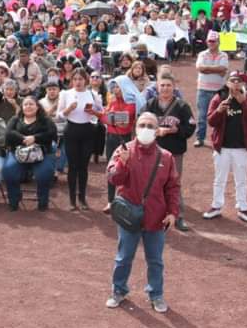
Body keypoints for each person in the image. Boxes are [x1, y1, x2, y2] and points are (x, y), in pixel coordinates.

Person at [105, 112, 180, 313]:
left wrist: (172, 212)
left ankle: (156, 294)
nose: (146, 129)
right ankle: (118, 290)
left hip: (156, 217)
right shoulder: (123, 150)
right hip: (129, 216)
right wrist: (122, 163)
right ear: (136, 128)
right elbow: (113, 179)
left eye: (150, 126)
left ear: (157, 130)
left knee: (155, 260)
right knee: (123, 257)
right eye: (142, 125)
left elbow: (172, 187)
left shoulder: (166, 157)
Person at [203, 72, 247, 223]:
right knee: (219, 179)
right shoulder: (219, 97)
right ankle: (216, 206)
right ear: (227, 83)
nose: (235, 83)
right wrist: (219, 111)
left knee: (241, 180)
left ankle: (243, 208)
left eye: (238, 81)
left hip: (241, 147)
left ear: (242, 84)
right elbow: (210, 121)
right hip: (222, 147)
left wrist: (244, 103)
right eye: (232, 80)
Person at [57, 68, 103, 210]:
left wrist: (93, 112)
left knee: (83, 166)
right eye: (75, 79)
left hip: (87, 131)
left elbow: (101, 113)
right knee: (72, 166)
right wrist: (68, 110)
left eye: (80, 79)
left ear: (86, 80)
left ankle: (82, 198)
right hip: (71, 130)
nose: (78, 82)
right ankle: (72, 200)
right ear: (72, 80)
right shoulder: (65, 94)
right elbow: (59, 116)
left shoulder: (93, 94)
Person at [2, 96, 57, 211]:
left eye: (31, 104)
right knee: (9, 171)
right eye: (25, 104)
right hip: (18, 153)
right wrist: (24, 138)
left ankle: (43, 201)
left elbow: (52, 134)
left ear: (37, 107)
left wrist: (35, 138)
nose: (28, 106)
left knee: (44, 175)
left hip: (41, 154)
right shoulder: (15, 119)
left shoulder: (46, 120)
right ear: (22, 107)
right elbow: (8, 133)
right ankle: (14, 199)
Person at [101, 81, 136, 213]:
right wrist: (113, 118)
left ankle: (124, 200)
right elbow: (104, 118)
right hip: (111, 137)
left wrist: (112, 118)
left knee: (127, 169)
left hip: (125, 139)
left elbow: (125, 120)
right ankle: (110, 201)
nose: (116, 90)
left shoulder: (131, 103)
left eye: (119, 87)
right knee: (112, 168)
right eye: (114, 87)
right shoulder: (112, 102)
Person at [193, 31, 229, 147]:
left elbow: (223, 68)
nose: (211, 43)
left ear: (218, 42)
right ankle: (200, 138)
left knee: (219, 115)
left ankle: (217, 138)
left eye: (213, 41)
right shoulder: (202, 54)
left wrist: (207, 69)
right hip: (203, 89)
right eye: (209, 41)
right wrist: (216, 69)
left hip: (218, 90)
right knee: (202, 116)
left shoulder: (224, 55)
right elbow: (200, 68)